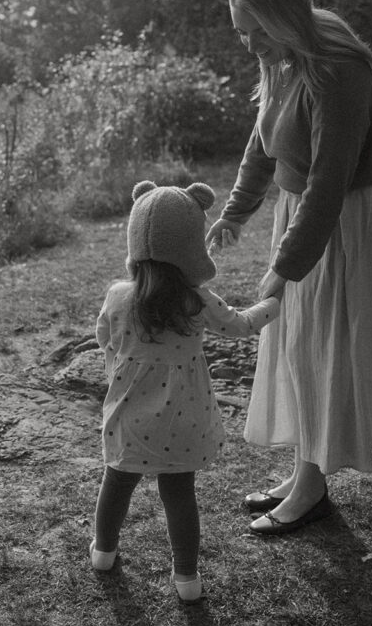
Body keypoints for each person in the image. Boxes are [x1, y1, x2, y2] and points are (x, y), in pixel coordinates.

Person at [206, 0, 372, 536]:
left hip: (348, 217)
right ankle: (305, 476)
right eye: (241, 32)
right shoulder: (283, 57)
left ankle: (312, 487)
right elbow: (264, 135)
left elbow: (329, 181)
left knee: (323, 346)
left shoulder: (337, 70)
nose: (250, 45)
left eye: (258, 32)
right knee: (297, 344)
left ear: (287, 19)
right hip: (307, 212)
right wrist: (236, 211)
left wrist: (283, 269)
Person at [91, 179, 281, 601]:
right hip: (183, 418)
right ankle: (187, 580)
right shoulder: (198, 301)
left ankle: (103, 552)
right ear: (190, 248)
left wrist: (118, 360)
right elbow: (242, 326)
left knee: (116, 484)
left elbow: (104, 336)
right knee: (179, 496)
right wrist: (274, 302)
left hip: (128, 416)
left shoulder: (119, 296)